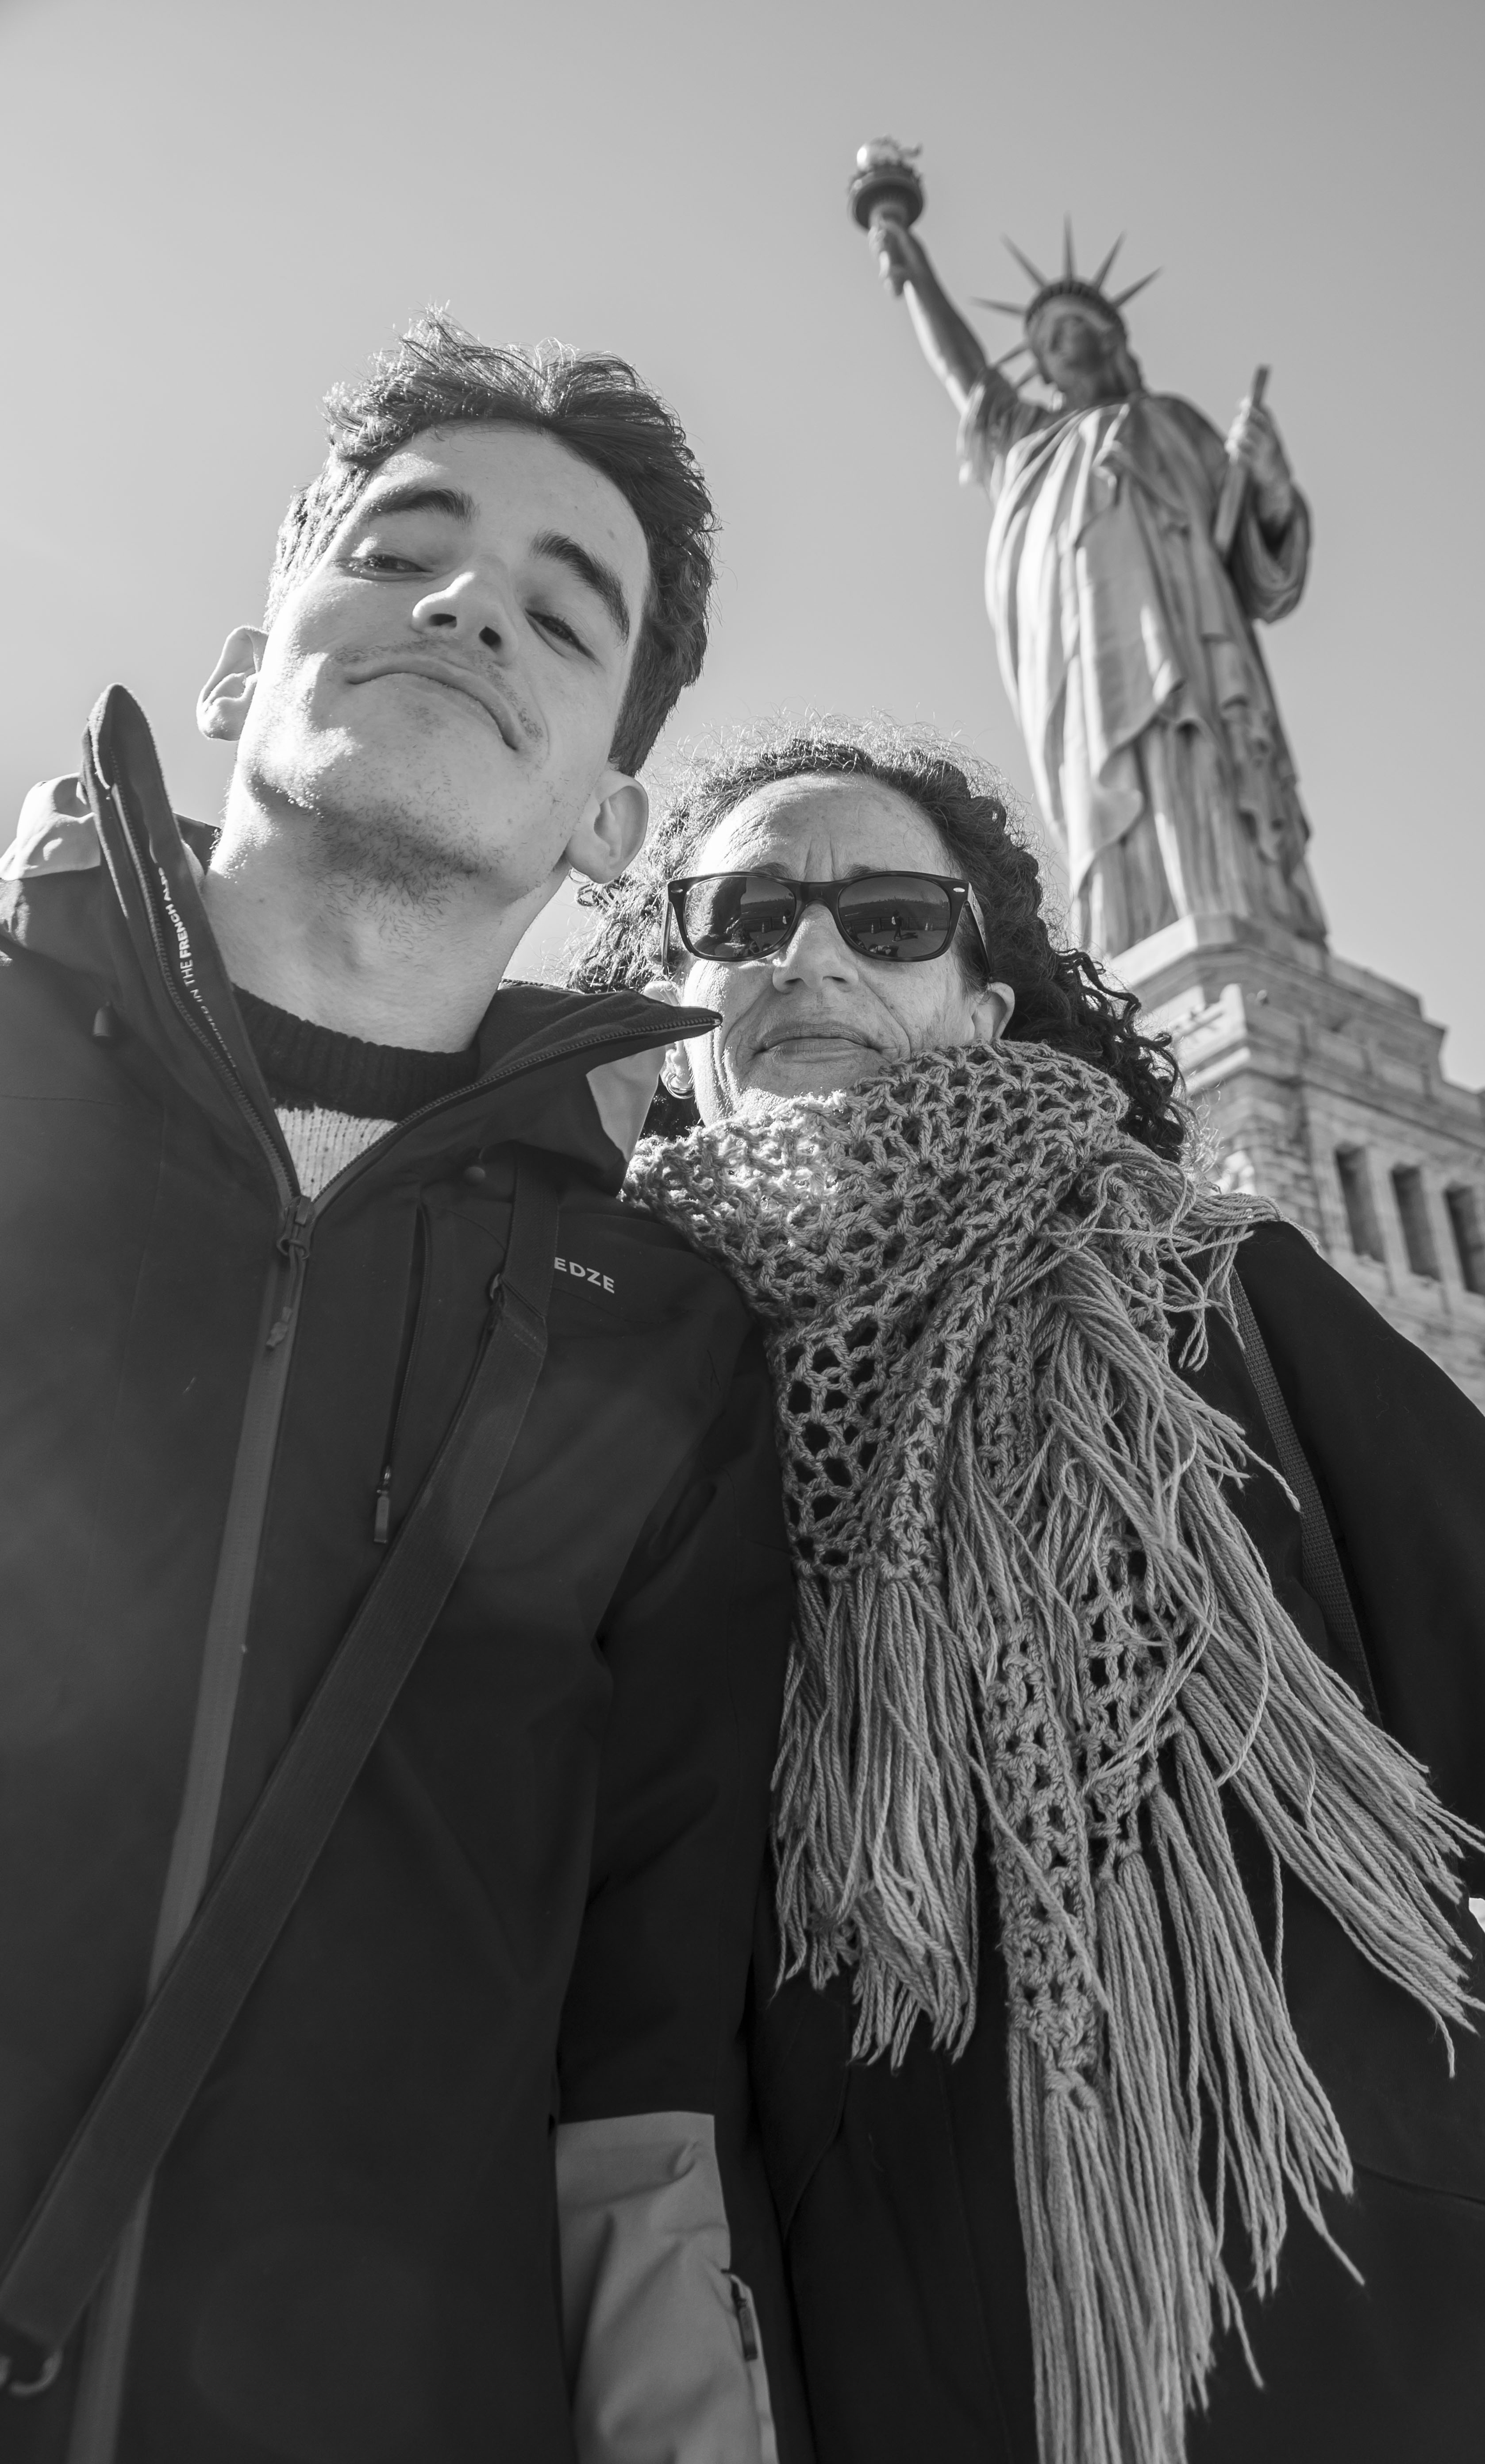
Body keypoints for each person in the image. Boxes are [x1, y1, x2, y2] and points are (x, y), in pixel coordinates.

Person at [571, 719, 1485, 2464]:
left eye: (893, 918)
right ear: (674, 1019)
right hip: (907, 2396)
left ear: (983, 1003)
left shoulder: (1211, 1304)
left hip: (1418, 2365)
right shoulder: (599, 1422)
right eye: (744, 912)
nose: (812, 954)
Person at [0, 314, 803, 2464]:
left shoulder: (659, 1328)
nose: (470, 606)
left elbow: (646, 2072)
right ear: (241, 654)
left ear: (616, 807)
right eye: (405, 548)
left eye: (566, 609)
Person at [866, 215, 1328, 957]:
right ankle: (1138, 946)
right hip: (1084, 675)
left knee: (1204, 764)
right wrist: (915, 270)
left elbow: (1263, 575)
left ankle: (1247, 924)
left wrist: (1272, 489)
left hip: (1197, 657)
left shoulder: (1177, 425)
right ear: (1040, 369)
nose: (1060, 342)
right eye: (1046, 338)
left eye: (1074, 324)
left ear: (1114, 337)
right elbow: (965, 372)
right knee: (1104, 798)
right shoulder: (1027, 443)